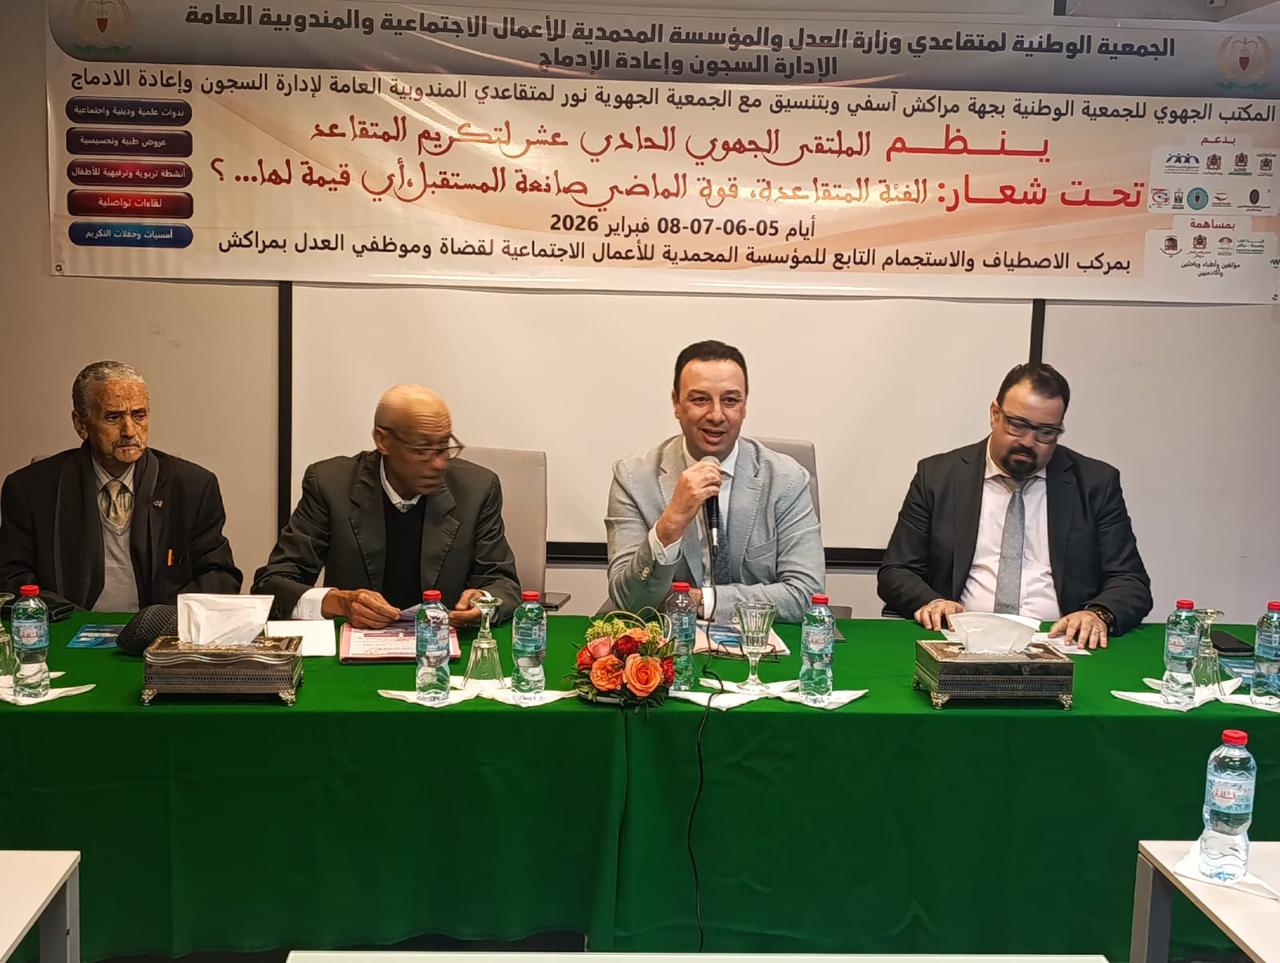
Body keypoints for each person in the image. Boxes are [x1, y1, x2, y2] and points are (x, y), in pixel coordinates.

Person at [877, 362, 1152, 648]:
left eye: (1046, 432)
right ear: (995, 414)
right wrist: (932, 602)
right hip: (960, 638)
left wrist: (1097, 614)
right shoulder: (938, 476)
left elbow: (1130, 581)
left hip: (1058, 642)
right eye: (1018, 425)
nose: (1028, 442)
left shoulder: (1096, 483)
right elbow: (896, 571)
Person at [253, 384, 520, 627]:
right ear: (382, 441)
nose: (439, 463)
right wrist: (340, 603)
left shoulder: (476, 489)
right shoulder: (330, 485)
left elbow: (502, 582)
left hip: (444, 646)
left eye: (443, 447)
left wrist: (483, 601)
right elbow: (272, 585)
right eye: (422, 449)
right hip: (353, 646)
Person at [605, 340, 824, 623]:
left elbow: (806, 595)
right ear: (676, 403)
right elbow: (628, 601)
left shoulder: (786, 480)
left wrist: (701, 601)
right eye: (700, 399)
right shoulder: (633, 479)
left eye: (731, 400)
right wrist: (670, 523)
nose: (717, 415)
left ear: (745, 405)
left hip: (759, 641)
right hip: (670, 642)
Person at [0, 361, 242, 612]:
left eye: (139, 415)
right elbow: (11, 578)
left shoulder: (193, 486)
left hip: (159, 629)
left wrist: (163, 619)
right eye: (113, 417)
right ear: (80, 424)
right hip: (66, 627)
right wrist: (69, 619)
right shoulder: (30, 489)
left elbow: (220, 576)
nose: (129, 431)